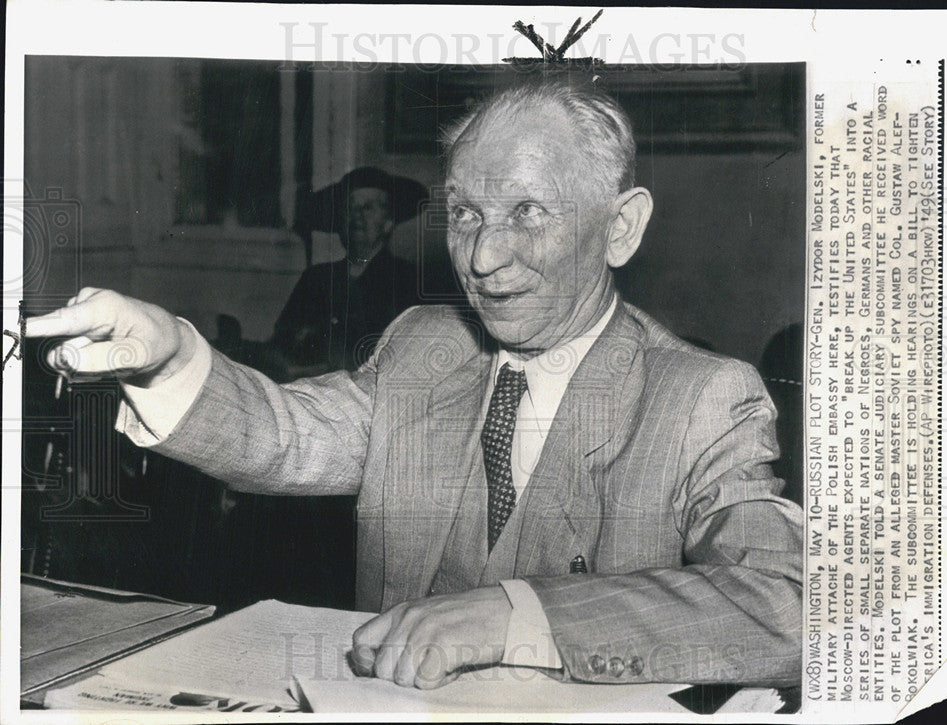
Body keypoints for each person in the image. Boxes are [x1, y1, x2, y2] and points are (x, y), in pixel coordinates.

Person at [27, 76, 802, 691]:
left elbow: (790, 606)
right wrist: (171, 357)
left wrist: (517, 614)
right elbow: (286, 434)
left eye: (527, 212)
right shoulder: (421, 349)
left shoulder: (703, 397)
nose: (486, 259)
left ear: (621, 227)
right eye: (465, 214)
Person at [271, 167, 442, 380]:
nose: (357, 216)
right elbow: (281, 343)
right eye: (351, 207)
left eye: (368, 208)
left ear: (388, 222)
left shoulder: (409, 280)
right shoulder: (316, 278)